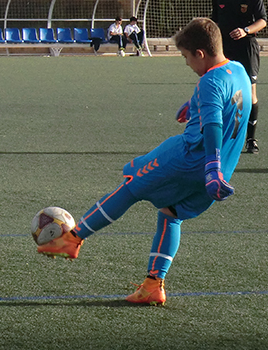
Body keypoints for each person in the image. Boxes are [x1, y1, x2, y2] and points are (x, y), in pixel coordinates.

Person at [36, 17, 251, 306]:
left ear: (200, 54)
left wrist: (210, 165)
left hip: (189, 160)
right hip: (216, 175)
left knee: (130, 184)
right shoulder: (237, 70)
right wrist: (195, 106)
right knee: (170, 213)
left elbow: (213, 124)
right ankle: (153, 285)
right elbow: (232, 106)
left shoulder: (209, 82)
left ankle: (72, 238)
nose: (187, 64)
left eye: (187, 57)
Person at [211, 0, 267, 154]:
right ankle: (228, 135)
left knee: (250, 92)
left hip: (247, 48)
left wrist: (245, 31)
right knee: (227, 93)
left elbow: (262, 20)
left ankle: (251, 139)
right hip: (224, 49)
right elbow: (215, 22)